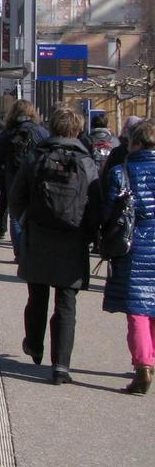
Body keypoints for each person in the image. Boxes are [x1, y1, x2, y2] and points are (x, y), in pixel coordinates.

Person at [10, 107, 100, 385]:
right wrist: (90, 235)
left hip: (39, 234)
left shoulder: (36, 157)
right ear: (77, 130)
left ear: (51, 128)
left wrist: (25, 221)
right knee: (66, 302)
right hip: (72, 239)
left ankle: (34, 346)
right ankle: (61, 366)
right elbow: (96, 204)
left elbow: (16, 197)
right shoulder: (87, 162)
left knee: (37, 294)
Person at [100, 119, 155, 394]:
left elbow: (109, 211)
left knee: (138, 309)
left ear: (135, 143)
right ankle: (152, 360)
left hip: (134, 246)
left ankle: (143, 365)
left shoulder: (121, 172)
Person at [0, 100, 47, 241]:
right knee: (33, 212)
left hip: (12, 176)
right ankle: (29, 245)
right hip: (35, 177)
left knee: (15, 214)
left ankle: (18, 252)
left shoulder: (8, 132)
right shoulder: (40, 131)